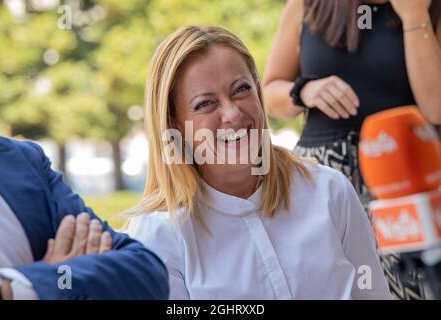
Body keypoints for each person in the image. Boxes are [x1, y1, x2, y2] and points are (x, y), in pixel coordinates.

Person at [127, 25, 392, 299]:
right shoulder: (158, 235)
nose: (232, 113)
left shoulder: (330, 191)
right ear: (175, 125)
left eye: (241, 89)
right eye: (205, 104)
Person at [262, 0, 441, 299]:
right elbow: (269, 92)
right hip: (320, 178)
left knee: (416, 289)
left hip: (401, 183)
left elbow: (435, 107)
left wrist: (414, 15)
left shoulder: (429, 7)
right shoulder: (308, 5)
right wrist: (304, 90)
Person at [0, 134, 169, 300]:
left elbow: (144, 273)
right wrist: (24, 288)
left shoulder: (17, 160)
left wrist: (54, 280)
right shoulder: (159, 226)